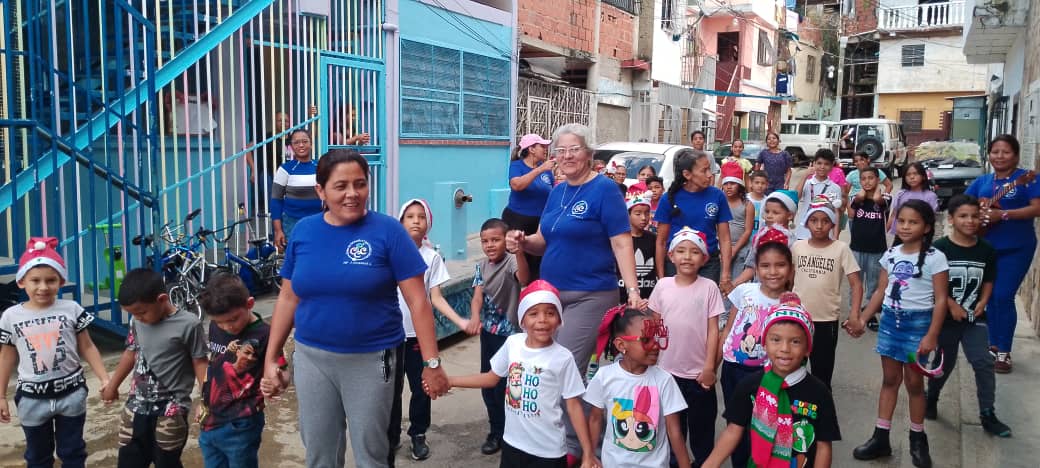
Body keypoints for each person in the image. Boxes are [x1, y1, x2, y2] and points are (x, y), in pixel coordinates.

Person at [260, 149, 450, 468]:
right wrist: (271, 357)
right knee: (319, 452)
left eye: (360, 184)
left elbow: (418, 301)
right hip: (311, 359)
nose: (352, 193)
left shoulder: (388, 231)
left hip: (371, 360)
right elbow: (288, 298)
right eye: (341, 186)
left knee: (372, 453)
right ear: (320, 190)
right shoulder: (304, 231)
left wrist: (432, 363)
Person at [506, 123, 643, 380]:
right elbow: (542, 240)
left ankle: (573, 409)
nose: (567, 156)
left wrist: (633, 290)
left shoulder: (605, 189)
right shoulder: (557, 191)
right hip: (552, 296)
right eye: (561, 150)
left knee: (563, 370)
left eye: (574, 149)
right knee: (544, 368)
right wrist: (522, 241)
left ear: (589, 153)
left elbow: (622, 243)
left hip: (590, 294)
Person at [446, 281, 599, 468]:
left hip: (548, 452)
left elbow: (574, 406)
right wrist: (450, 381)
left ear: (559, 320)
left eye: (550, 313)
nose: (542, 319)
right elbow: (491, 378)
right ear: (522, 320)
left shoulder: (563, 358)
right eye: (533, 313)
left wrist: (588, 454)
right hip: (512, 444)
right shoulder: (513, 344)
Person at [847, 200, 948, 468]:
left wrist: (932, 335)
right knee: (890, 380)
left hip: (918, 326)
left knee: (914, 384)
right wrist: (862, 319)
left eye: (913, 222)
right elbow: (880, 291)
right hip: (891, 323)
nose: (905, 226)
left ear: (927, 227)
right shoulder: (891, 254)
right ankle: (881, 437)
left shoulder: (936, 258)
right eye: (901, 221)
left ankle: (917, 439)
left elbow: (941, 300)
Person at [0, 238, 109, 468]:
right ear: (21, 282)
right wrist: (1, 396)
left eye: (51, 280)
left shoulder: (72, 309)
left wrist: (104, 378)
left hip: (71, 395)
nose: (43, 287)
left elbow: (87, 346)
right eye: (35, 280)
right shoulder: (10, 316)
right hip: (31, 399)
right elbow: (6, 356)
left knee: (73, 452)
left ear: (61, 281)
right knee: (37, 457)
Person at [704, 299, 841, 468]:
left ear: (808, 348)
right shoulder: (750, 386)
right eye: (776, 340)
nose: (785, 348)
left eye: (795, 341)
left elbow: (823, 446)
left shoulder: (819, 392)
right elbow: (733, 431)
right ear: (764, 344)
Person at [390, 198, 474, 463]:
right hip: (390, 336)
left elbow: (435, 298)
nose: (416, 221)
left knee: (422, 387)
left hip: (419, 337)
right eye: (410, 216)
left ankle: (418, 433)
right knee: (390, 390)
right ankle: (390, 436)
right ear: (400, 222)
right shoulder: (390, 254)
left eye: (421, 217)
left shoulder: (431, 257)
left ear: (428, 224)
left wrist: (460, 321)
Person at [101, 268, 209, 468]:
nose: (138, 318)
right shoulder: (136, 321)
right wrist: (112, 386)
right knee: (128, 461)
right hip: (135, 407)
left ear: (162, 299)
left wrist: (206, 401)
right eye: (133, 314)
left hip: (171, 411)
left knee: (167, 462)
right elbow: (130, 353)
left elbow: (200, 362)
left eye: (141, 312)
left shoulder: (189, 324)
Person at [924, 195, 1011, 437]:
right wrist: (950, 304)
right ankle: (932, 397)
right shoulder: (939, 249)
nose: (970, 221)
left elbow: (989, 280)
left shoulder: (987, 250)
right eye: (963, 216)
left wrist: (983, 302)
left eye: (974, 216)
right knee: (944, 363)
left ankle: (987, 413)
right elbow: (933, 284)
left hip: (975, 318)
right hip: (946, 320)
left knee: (983, 362)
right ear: (951, 219)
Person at [649, 227, 725, 466]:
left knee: (702, 429)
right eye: (681, 251)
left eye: (694, 252)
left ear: (704, 258)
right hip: (666, 373)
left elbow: (713, 330)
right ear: (671, 256)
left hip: (699, 376)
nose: (687, 257)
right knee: (673, 429)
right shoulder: (663, 286)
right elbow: (654, 326)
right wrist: (651, 364)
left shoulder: (709, 287)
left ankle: (703, 463)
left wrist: (710, 367)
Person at [965, 134, 1040, 373]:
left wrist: (1004, 214)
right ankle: (993, 345)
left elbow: (1037, 208)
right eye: (995, 151)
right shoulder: (983, 181)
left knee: (1003, 295)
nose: (999, 156)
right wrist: (977, 210)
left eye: (1006, 152)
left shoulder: (1028, 178)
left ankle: (1004, 351)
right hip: (985, 247)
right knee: (989, 297)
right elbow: (962, 203)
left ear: (1016, 156)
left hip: (1017, 247)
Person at [717, 234, 792, 467]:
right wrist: (713, 365)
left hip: (767, 375)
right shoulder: (745, 291)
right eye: (765, 266)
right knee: (736, 421)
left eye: (780, 265)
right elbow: (729, 329)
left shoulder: (790, 303)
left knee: (763, 425)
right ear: (756, 269)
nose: (773, 272)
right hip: (733, 368)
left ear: (790, 269)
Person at [585, 307, 691, 468]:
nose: (655, 346)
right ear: (621, 345)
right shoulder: (604, 377)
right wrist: (589, 456)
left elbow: (674, 431)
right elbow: (595, 419)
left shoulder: (664, 380)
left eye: (656, 338)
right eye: (646, 340)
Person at [196, 273, 280, 468]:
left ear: (249, 304)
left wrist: (275, 382)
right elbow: (213, 368)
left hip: (242, 422)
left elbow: (278, 367)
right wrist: (204, 402)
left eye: (233, 319)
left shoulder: (265, 334)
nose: (227, 327)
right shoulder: (216, 327)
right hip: (211, 418)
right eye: (220, 322)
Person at [471, 218, 530, 455]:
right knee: (488, 385)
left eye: (495, 240)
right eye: (485, 241)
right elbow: (477, 296)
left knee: (508, 388)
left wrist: (520, 252)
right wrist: (474, 316)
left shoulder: (511, 261)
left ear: (505, 240)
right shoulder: (480, 266)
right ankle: (496, 431)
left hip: (510, 337)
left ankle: (512, 434)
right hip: (489, 334)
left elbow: (524, 279)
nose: (490, 245)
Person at [791, 199, 863, 389]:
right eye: (814, 220)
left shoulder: (841, 249)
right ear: (806, 223)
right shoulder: (797, 247)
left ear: (832, 224)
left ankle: (821, 405)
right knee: (791, 369)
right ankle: (792, 405)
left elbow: (856, 284)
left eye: (825, 221)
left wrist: (854, 314)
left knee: (822, 374)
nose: (819, 225)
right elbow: (789, 281)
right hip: (798, 318)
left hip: (826, 321)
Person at [653, 149, 733, 288]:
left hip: (708, 265)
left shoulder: (717, 196)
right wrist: (661, 277)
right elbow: (661, 242)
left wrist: (725, 274)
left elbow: (725, 239)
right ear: (687, 174)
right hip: (676, 265)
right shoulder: (668, 199)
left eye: (710, 169)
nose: (709, 175)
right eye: (704, 170)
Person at [505, 133, 554, 280]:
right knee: (519, 258)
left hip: (539, 222)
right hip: (519, 220)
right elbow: (517, 185)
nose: (545, 149)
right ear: (531, 149)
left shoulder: (546, 170)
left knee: (538, 261)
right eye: (542, 146)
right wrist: (539, 170)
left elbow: (552, 191)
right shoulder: (517, 166)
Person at [732, 190, 798, 288]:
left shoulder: (792, 242)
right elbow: (751, 266)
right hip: (759, 289)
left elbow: (792, 273)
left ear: (789, 215)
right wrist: (735, 283)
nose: (769, 216)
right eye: (767, 211)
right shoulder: (760, 237)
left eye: (775, 213)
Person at [271, 129, 322, 249]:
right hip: (292, 222)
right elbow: (276, 200)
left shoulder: (320, 166)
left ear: (311, 143)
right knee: (296, 256)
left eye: (305, 141)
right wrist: (278, 230)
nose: (301, 145)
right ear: (291, 146)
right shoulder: (285, 169)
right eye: (296, 142)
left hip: (318, 221)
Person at [244, 111, 290, 214]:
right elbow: (247, 149)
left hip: (289, 175)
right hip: (270, 175)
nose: (283, 123)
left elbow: (311, 137)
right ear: (275, 122)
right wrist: (253, 169)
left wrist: (312, 117)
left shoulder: (293, 137)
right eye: (280, 120)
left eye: (286, 121)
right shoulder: (268, 137)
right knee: (273, 207)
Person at [795, 149, 844, 240]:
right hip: (803, 233)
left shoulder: (835, 187)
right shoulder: (807, 183)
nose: (822, 167)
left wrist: (835, 236)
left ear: (832, 166)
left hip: (824, 233)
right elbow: (796, 197)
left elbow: (836, 212)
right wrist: (805, 176)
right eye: (819, 163)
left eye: (826, 164)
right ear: (814, 164)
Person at [619, 195, 657, 302]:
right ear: (628, 215)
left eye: (647, 213)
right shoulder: (619, 239)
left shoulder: (653, 239)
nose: (644, 218)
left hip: (648, 297)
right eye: (638, 214)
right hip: (622, 297)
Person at [886, 162, 938, 235]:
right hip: (900, 235)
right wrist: (884, 232)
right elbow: (893, 215)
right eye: (908, 175)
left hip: (919, 235)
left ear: (923, 176)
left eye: (915, 174)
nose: (912, 177)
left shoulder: (930, 196)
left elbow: (931, 219)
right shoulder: (900, 194)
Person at [721, 168, 755, 277]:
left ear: (739, 185)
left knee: (736, 279)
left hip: (740, 248)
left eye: (732, 183)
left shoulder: (747, 205)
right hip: (720, 247)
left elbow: (748, 231)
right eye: (726, 184)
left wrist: (734, 250)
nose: (729, 187)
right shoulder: (719, 202)